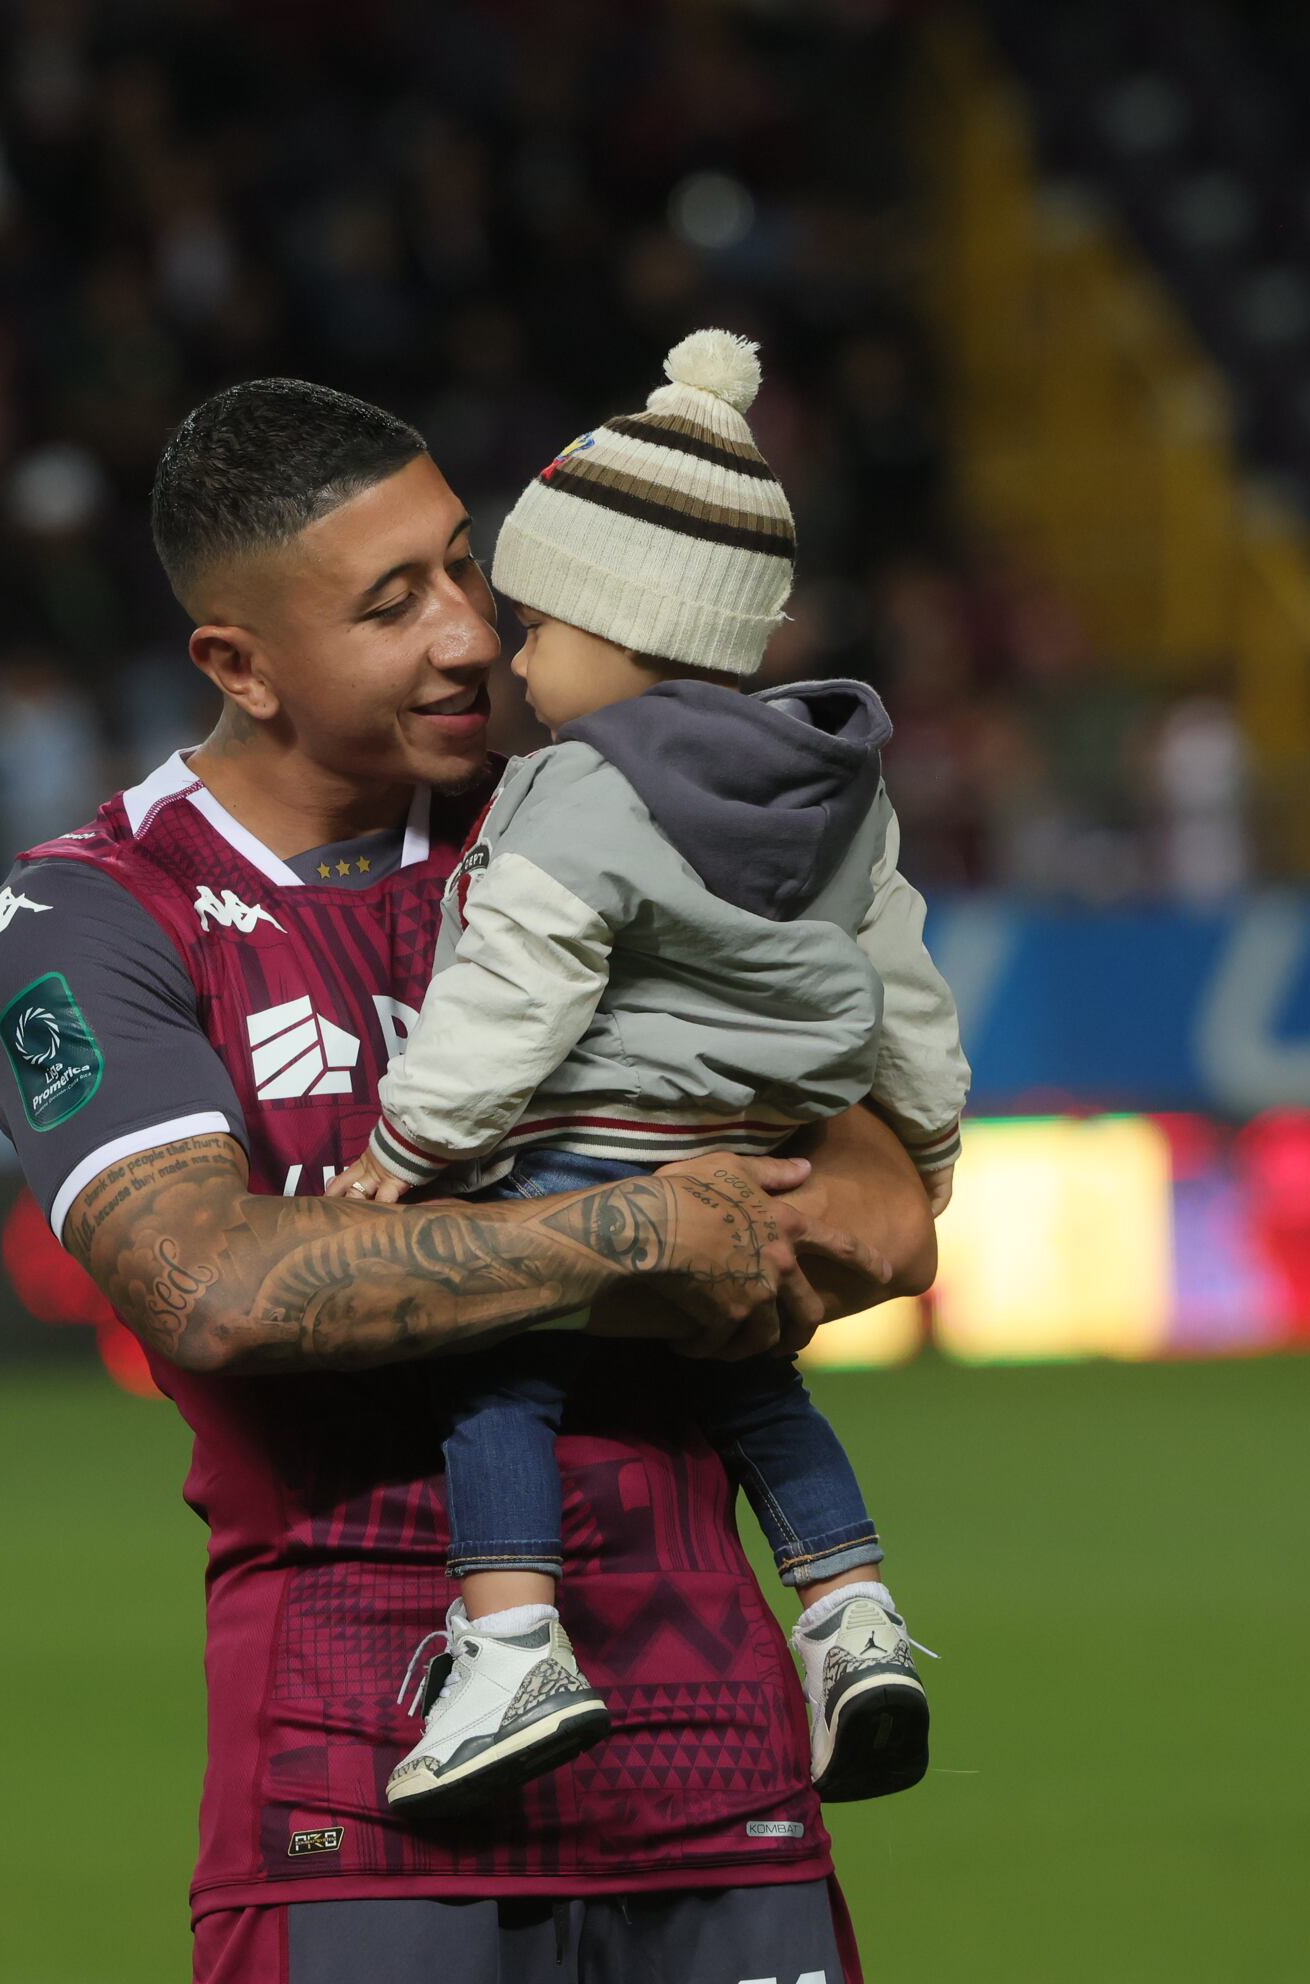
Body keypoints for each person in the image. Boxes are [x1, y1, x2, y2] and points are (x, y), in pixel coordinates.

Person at [0, 377, 936, 1983]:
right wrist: (637, 1229)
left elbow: (881, 1211)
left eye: (466, 569)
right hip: (362, 1783)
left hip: (718, 1756)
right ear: (238, 663)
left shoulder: (610, 815)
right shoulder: (97, 915)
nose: (470, 637)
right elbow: (218, 1288)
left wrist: (429, 1266)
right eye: (391, 603)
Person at [322, 332, 968, 1818]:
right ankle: (854, 1618)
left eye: (539, 622)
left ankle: (512, 1647)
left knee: (491, 1366)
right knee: (752, 1382)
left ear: (618, 626)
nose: (513, 653)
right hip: (759, 1150)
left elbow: (517, 988)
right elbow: (905, 991)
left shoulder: (573, 790)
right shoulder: (836, 789)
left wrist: (415, 1149)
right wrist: (922, 1153)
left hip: (591, 1146)